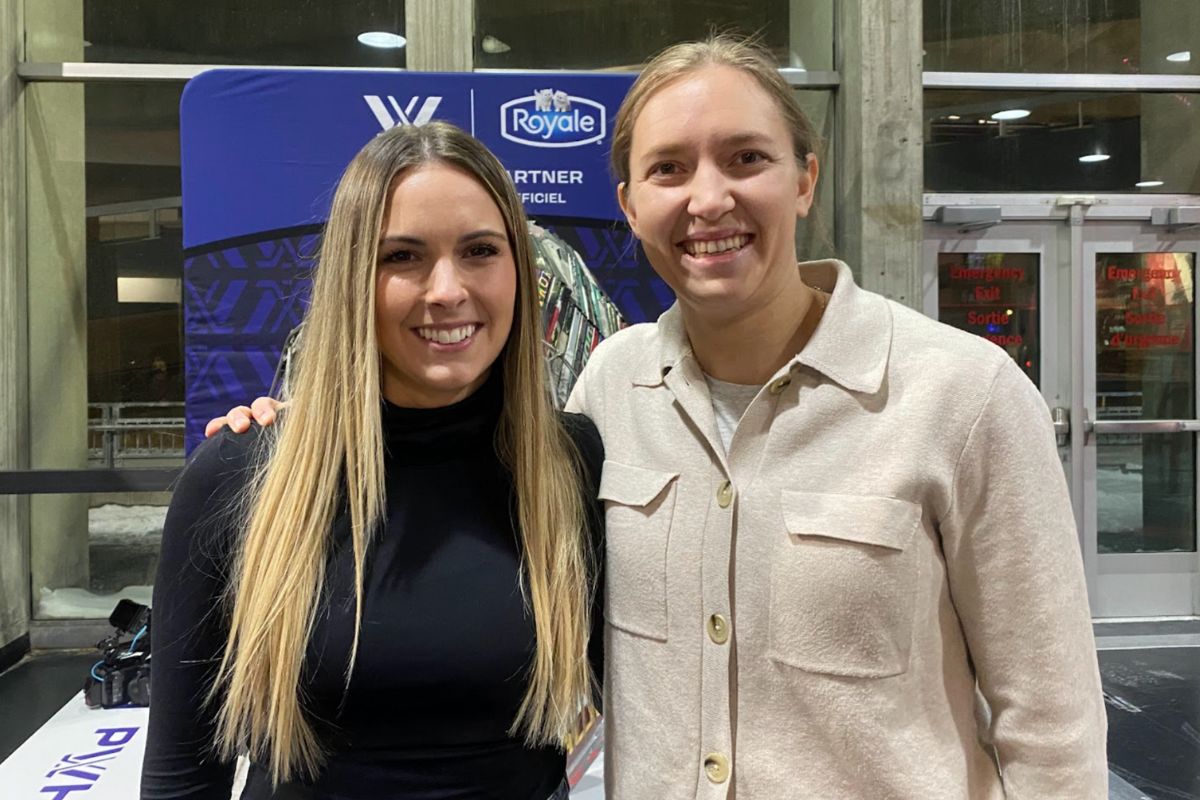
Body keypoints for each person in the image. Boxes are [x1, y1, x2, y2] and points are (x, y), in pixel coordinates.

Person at [212, 35, 1108, 798]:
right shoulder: (609, 390)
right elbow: (445, 471)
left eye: (745, 158)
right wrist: (298, 431)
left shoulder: (964, 396)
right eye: (669, 169)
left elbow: (1053, 725)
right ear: (631, 206)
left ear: (805, 178)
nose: (707, 199)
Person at [143, 121, 603, 800]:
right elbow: (183, 780)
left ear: (519, 270)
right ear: (353, 278)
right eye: (403, 257)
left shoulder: (574, 464)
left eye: (479, 250)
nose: (446, 289)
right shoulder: (241, 477)